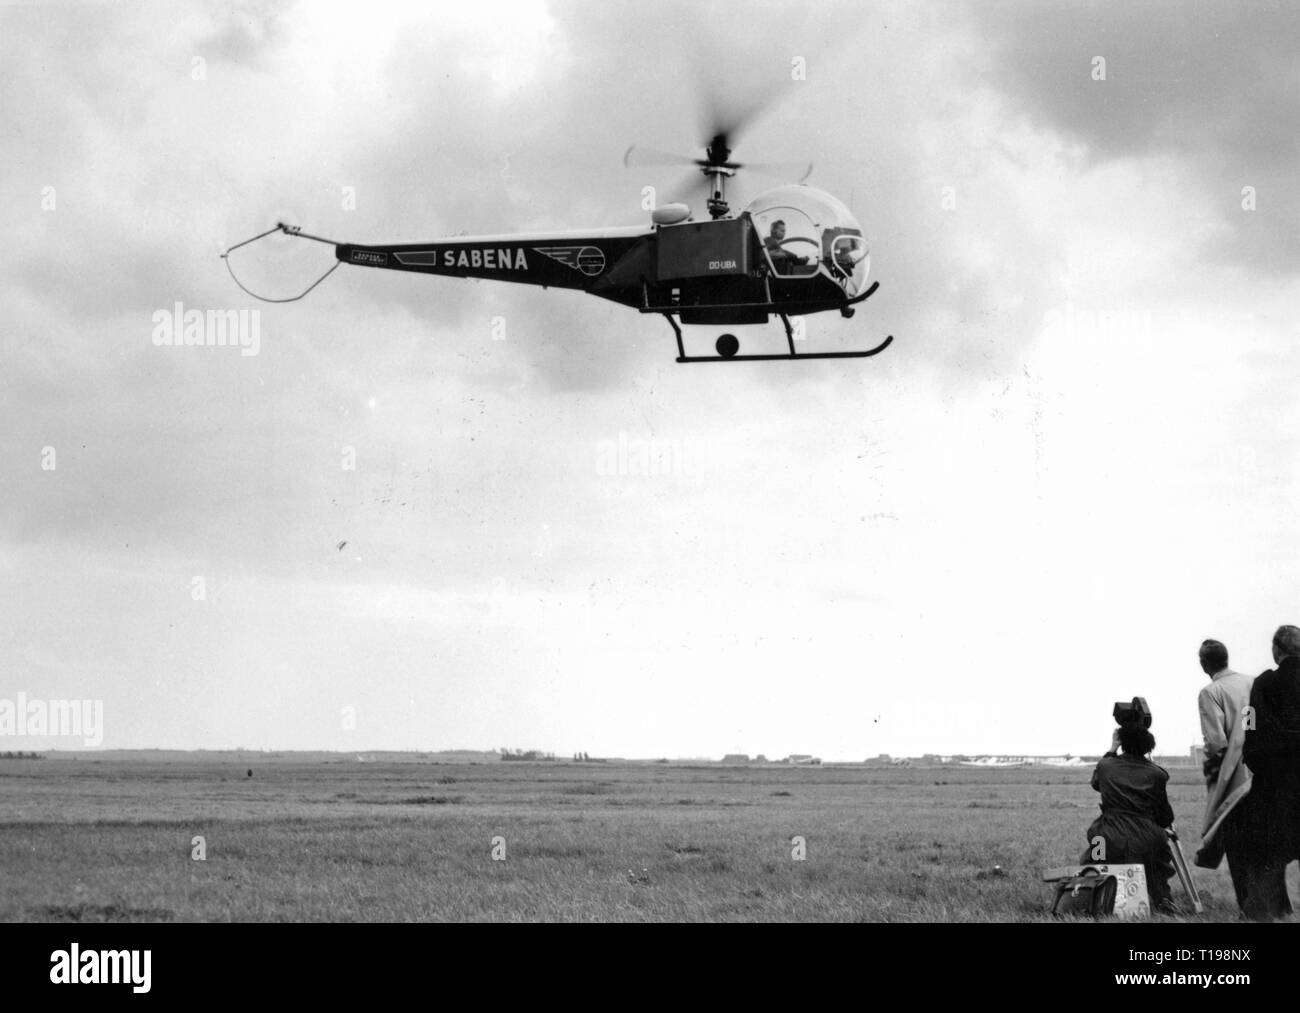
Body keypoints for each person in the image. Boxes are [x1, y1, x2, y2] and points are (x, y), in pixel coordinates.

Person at [1193, 639, 1259, 916]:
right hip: (1264, 771)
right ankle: (1275, 903)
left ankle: (1249, 906)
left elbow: (1217, 741)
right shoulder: (1253, 682)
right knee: (1261, 843)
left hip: (1234, 779)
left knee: (1237, 843)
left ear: (1204, 664)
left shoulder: (1211, 692)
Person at [1083, 723, 1177, 912]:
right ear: (1149, 747)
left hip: (1106, 835)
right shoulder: (1157, 774)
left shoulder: (1106, 766)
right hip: (1147, 837)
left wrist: (1112, 749)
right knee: (1157, 864)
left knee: (1093, 857)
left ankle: (1089, 895)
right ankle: (1163, 898)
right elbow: (1165, 816)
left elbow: (1095, 784)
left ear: (1122, 743)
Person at [1241, 624, 1300, 920]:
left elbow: (1249, 729)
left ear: (1277, 649)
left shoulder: (1263, 684)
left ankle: (1267, 911)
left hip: (1275, 784)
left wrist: (1259, 767)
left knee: (1265, 852)